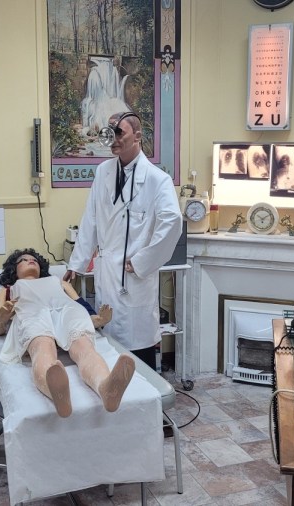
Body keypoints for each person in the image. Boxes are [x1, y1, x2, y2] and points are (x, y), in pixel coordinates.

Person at [65, 112, 182, 367]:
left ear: (137, 136)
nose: (113, 139)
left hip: (133, 277)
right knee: (107, 348)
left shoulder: (157, 180)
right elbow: (91, 218)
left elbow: (173, 222)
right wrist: (77, 263)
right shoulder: (103, 171)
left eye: (119, 133)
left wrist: (142, 261)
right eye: (109, 133)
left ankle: (146, 388)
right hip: (107, 272)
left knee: (138, 352)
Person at [0, 249, 132, 418]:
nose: (31, 260)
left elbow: (81, 306)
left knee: (84, 347)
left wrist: (99, 319)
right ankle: (56, 392)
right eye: (23, 260)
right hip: (33, 313)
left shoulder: (60, 283)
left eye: (34, 259)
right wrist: (1, 318)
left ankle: (106, 388)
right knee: (42, 347)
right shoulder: (7, 291)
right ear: (13, 270)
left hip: (67, 310)